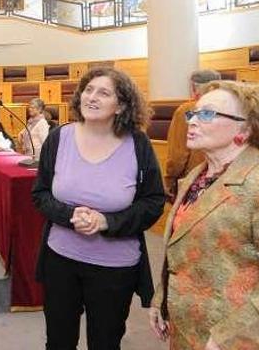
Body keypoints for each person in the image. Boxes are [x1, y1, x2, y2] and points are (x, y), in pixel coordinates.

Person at [148, 81, 259, 350]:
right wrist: (163, 300)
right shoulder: (196, 176)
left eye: (207, 114)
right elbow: (179, 251)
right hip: (186, 334)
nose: (192, 121)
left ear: (245, 128)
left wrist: (228, 340)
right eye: (193, 113)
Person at [32, 67, 165, 350]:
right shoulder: (59, 137)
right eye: (88, 90)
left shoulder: (138, 144)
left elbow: (153, 202)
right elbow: (40, 194)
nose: (91, 97)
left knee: (105, 342)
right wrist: (70, 216)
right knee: (58, 341)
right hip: (60, 260)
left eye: (103, 93)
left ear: (122, 105)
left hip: (114, 269)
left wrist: (107, 222)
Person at [164, 69, 221, 202]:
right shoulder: (229, 109)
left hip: (194, 182)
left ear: (194, 88)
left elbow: (177, 156)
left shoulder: (187, 111)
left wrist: (169, 179)